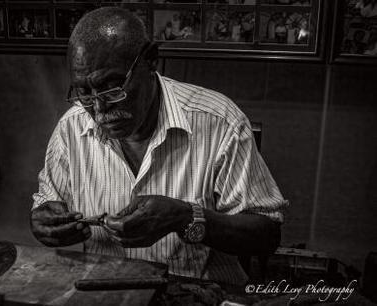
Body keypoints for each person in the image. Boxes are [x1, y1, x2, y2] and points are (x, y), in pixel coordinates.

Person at [30, 7, 288, 285]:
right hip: (105, 291)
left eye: (113, 88)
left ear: (151, 60)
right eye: (84, 93)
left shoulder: (219, 122)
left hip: (199, 294)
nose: (100, 110)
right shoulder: (72, 128)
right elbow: (47, 206)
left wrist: (186, 217)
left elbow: (267, 236)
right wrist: (44, 223)